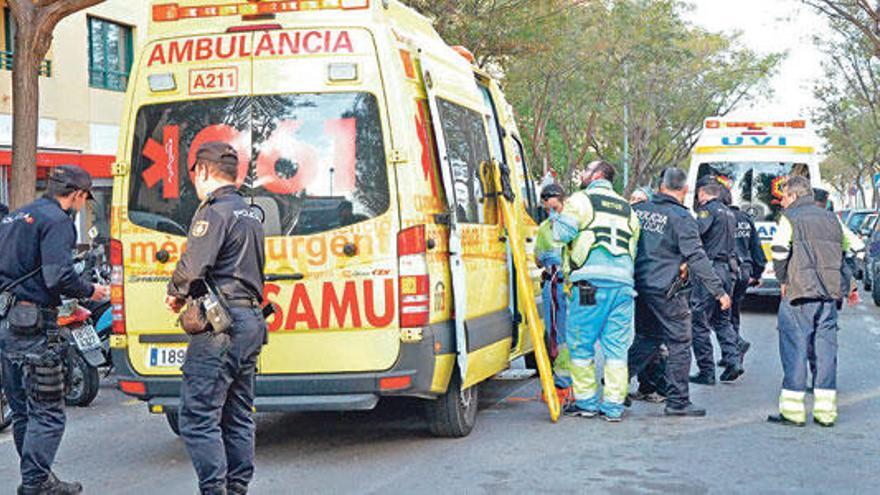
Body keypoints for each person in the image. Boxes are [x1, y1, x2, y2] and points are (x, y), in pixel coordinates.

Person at [165, 142, 267, 494]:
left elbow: (194, 266)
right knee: (237, 415)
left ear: (204, 171)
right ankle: (237, 488)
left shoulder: (214, 212)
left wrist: (175, 292)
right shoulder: (250, 213)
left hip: (220, 328)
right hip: (251, 320)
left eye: (194, 173)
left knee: (197, 418)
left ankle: (215, 490)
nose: (194, 181)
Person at [0, 165, 109, 494]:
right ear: (77, 194)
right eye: (83, 199)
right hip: (33, 326)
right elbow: (57, 276)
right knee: (47, 411)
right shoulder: (58, 222)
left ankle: (37, 477)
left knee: (21, 410)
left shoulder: (16, 217)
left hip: (6, 321)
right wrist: (91, 290)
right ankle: (35, 483)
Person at [628, 168, 731, 417]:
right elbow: (696, 256)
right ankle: (678, 401)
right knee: (680, 342)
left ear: (660, 187)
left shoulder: (638, 211)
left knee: (647, 338)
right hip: (667, 290)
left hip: (640, 285)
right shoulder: (681, 217)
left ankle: (615, 385)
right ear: (684, 191)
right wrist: (718, 291)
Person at [551, 160, 640, 422]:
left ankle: (587, 403)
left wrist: (555, 215)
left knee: (581, 345)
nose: (582, 174)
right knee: (616, 349)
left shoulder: (580, 200)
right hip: (623, 286)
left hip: (590, 284)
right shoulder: (627, 208)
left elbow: (561, 234)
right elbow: (633, 247)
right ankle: (613, 407)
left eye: (586, 170)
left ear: (597, 175)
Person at [768, 176, 845, 427]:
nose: (783, 203)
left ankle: (793, 412)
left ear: (793, 196)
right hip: (828, 295)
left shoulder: (790, 218)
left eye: (784, 197)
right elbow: (855, 247)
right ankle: (825, 413)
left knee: (795, 348)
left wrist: (782, 280)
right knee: (825, 351)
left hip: (799, 293)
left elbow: (778, 250)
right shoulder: (832, 218)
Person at [689, 180, 743, 385]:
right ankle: (733, 359)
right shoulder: (729, 212)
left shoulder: (707, 210)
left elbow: (695, 233)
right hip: (727, 270)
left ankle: (706, 371)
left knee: (700, 322)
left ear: (703, 194)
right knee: (722, 319)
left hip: (709, 271)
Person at [627, 186, 668, 404]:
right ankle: (648, 386)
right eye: (633, 198)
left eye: (640, 199)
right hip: (639, 285)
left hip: (654, 285)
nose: (635, 203)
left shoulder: (653, 224)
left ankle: (659, 386)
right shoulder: (629, 221)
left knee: (652, 339)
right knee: (645, 336)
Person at [535, 184, 572, 400]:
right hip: (571, 286)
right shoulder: (575, 223)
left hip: (557, 286)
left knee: (557, 334)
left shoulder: (546, 228)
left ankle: (561, 384)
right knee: (567, 335)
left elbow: (539, 259)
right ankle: (565, 383)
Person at [726, 192, 766, 367]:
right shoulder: (745, 218)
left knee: (716, 316)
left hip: (728, 271)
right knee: (733, 312)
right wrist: (757, 273)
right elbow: (756, 247)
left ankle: (735, 346)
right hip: (745, 271)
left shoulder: (719, 217)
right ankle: (731, 353)